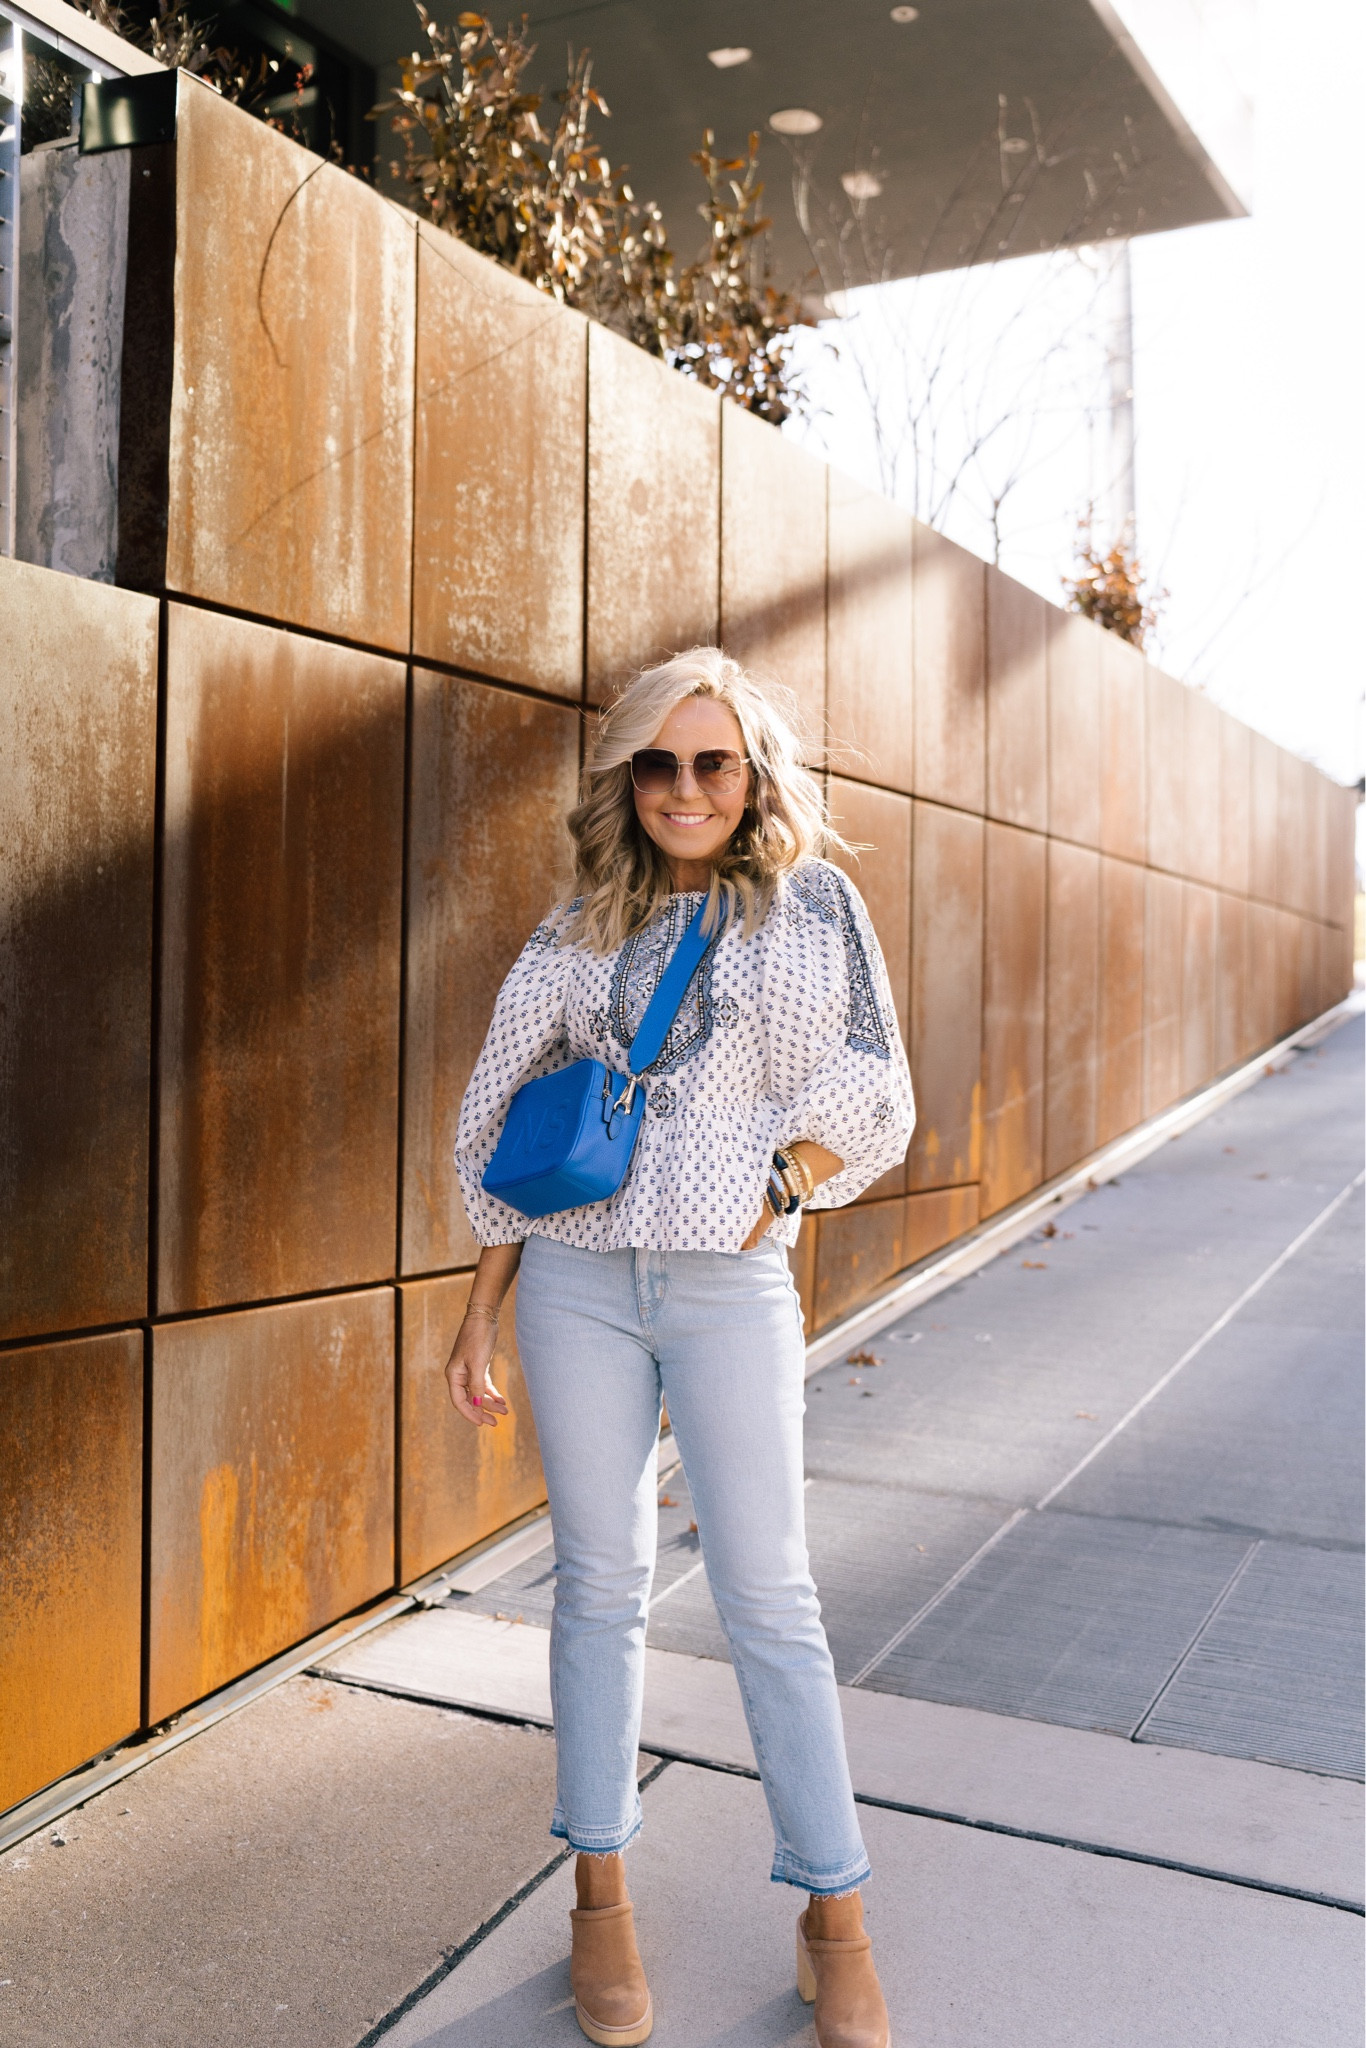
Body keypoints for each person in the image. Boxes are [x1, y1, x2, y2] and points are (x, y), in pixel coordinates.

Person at [447, 647, 914, 2048]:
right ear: (626, 779)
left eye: (713, 762)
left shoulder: (812, 905)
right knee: (596, 1587)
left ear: (751, 773)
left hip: (725, 1287)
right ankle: (600, 1899)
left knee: (769, 1595)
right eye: (659, 763)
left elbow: (875, 1093)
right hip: (575, 1286)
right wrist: (478, 1309)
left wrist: (776, 1185)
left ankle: (834, 1914)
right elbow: (502, 1116)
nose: (686, 788)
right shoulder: (576, 922)